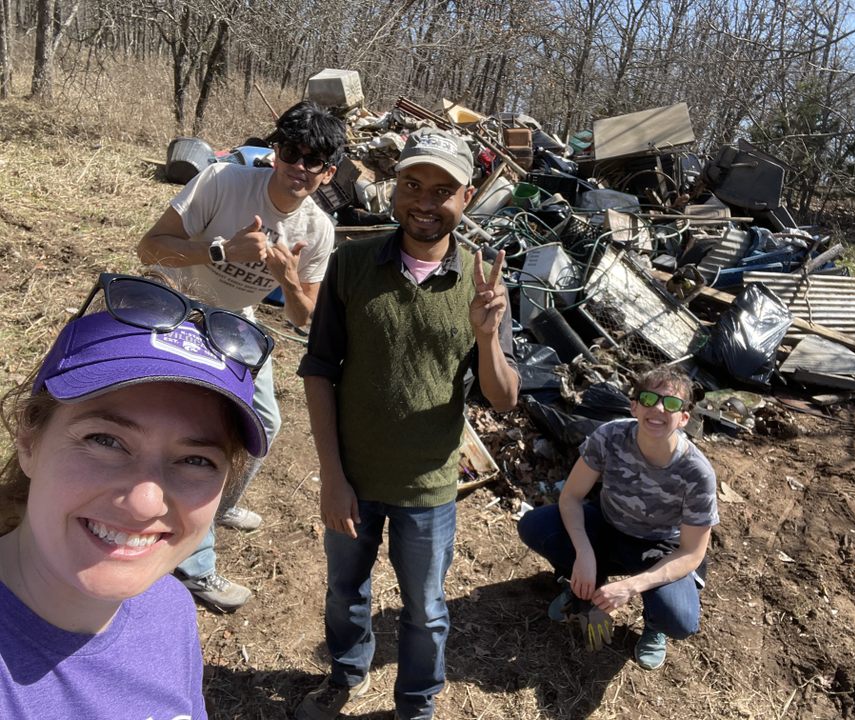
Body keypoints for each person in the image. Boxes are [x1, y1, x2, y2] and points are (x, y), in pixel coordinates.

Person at [296, 127, 520, 720]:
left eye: (442, 190)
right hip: (354, 476)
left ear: (466, 198)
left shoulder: (483, 282)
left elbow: (502, 398)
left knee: (425, 609)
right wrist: (331, 477)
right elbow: (319, 370)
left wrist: (487, 334)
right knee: (346, 591)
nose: (424, 201)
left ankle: (416, 706)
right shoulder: (351, 264)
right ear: (395, 188)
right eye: (413, 185)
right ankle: (347, 675)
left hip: (428, 485)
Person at [0, 273, 271, 718]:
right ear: (29, 440)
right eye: (105, 441)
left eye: (196, 460)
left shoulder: (169, 607)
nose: (146, 502)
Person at [138, 100, 346, 610]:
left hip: (238, 321)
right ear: (275, 153)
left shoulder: (317, 230)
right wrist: (220, 251)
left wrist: (288, 280)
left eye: (314, 159)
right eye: (292, 152)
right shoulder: (222, 182)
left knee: (267, 423)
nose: (300, 166)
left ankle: (220, 503)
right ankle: (194, 565)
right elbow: (149, 249)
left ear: (328, 172)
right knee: (204, 431)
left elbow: (304, 316)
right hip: (180, 306)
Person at [517, 364, 718, 670]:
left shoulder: (697, 472)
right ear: (634, 406)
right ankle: (582, 587)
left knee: (680, 620)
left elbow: (692, 552)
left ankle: (654, 625)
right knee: (534, 526)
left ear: (684, 418)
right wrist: (583, 554)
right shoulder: (610, 436)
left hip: (658, 546)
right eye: (650, 399)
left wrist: (631, 587)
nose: (659, 409)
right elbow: (570, 497)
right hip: (607, 525)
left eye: (672, 403)